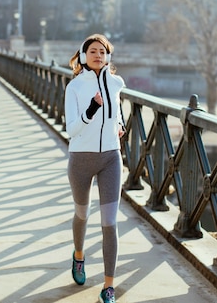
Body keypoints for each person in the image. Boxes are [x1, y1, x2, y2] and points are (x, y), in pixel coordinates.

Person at [64, 34, 126, 303]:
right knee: (82, 213)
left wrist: (120, 125)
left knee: (109, 223)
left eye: (102, 51)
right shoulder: (75, 88)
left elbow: (118, 110)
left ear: (108, 56)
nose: (98, 55)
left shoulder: (116, 83)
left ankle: (108, 287)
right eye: (93, 51)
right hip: (81, 159)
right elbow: (72, 129)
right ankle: (79, 256)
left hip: (111, 157)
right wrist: (92, 108)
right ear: (83, 56)